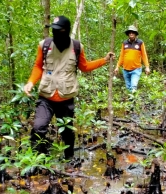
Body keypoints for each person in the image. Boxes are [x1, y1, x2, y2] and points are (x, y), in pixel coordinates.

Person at [24, 15, 114, 161]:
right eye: (54, 30)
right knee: (38, 127)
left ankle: (69, 159)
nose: (56, 33)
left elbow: (84, 67)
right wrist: (30, 83)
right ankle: (37, 161)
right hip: (46, 96)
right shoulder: (44, 45)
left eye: (59, 30)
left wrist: (104, 60)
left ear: (66, 31)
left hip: (66, 98)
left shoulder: (77, 47)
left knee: (67, 131)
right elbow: (38, 66)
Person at [114, 25, 150, 93]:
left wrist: (147, 67)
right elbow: (121, 56)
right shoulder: (124, 43)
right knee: (128, 88)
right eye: (130, 32)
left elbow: (144, 55)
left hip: (136, 69)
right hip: (125, 69)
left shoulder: (140, 43)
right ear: (128, 34)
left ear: (135, 34)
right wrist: (117, 67)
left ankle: (133, 99)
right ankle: (131, 102)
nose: (131, 34)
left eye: (133, 32)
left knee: (133, 86)